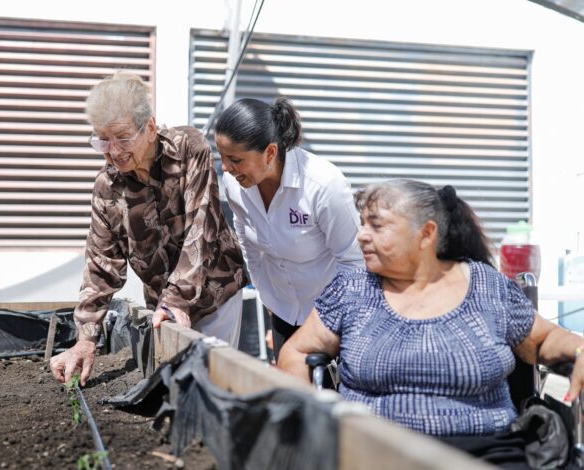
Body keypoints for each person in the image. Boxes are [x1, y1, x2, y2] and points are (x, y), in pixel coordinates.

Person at [278, 179, 584, 468]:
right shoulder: (352, 289)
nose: (361, 235)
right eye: (362, 223)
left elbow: (544, 340)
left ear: (426, 234)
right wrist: (313, 427)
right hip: (373, 451)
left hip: (485, 452)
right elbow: (297, 352)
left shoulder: (488, 287)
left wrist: (580, 349)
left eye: (377, 225)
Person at [50, 72, 247, 385]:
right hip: (162, 306)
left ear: (151, 127)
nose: (113, 152)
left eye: (123, 138)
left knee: (213, 386)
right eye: (103, 140)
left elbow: (201, 229)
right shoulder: (107, 188)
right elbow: (102, 265)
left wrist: (177, 300)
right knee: (170, 389)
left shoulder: (189, 148)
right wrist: (86, 338)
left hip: (215, 293)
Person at [214, 97, 363, 360]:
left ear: (270, 153)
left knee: (326, 395)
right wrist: (268, 297)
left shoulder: (323, 185)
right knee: (290, 392)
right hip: (282, 310)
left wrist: (330, 321)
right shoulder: (235, 184)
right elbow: (248, 243)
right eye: (223, 157)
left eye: (235, 159)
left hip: (330, 315)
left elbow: (354, 264)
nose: (226, 168)